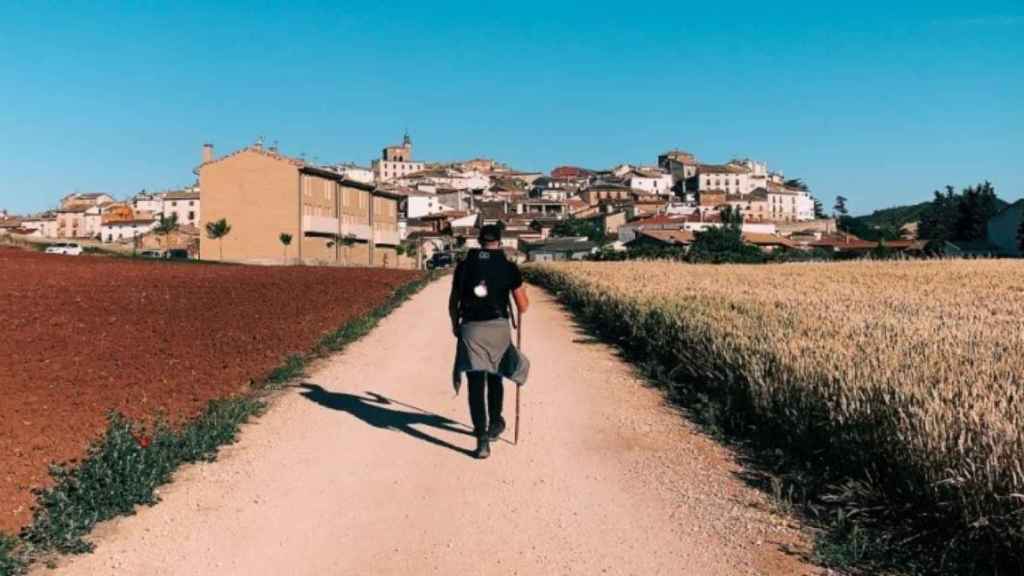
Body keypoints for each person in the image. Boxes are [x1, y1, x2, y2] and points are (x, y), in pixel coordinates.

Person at [450, 225, 530, 459]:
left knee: (476, 381)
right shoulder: (508, 267)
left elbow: (453, 301)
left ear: (479, 241)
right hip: (498, 328)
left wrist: (456, 324)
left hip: (470, 328)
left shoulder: (464, 266)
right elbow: (522, 306)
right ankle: (495, 423)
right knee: (495, 374)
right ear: (500, 242)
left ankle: (482, 439)